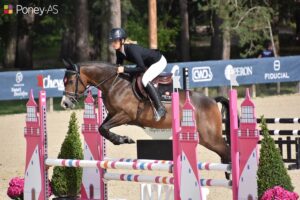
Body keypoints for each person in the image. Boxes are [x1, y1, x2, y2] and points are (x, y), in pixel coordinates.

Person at [109, 28, 167, 121]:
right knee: (131, 77)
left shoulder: (131, 49)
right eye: (112, 41)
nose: (113, 43)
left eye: (115, 41)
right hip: (147, 63)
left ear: (122, 40)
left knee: (145, 79)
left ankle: (160, 108)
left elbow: (141, 68)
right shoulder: (118, 51)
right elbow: (118, 66)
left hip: (158, 61)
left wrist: (124, 69)